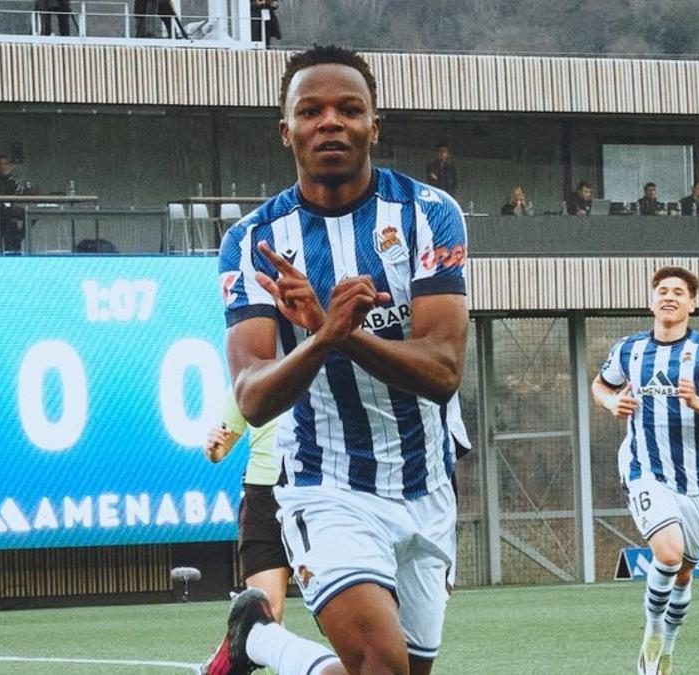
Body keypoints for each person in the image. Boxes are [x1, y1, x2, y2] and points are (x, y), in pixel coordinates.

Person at [202, 45, 468, 675]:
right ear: (286, 129)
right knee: (382, 666)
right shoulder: (252, 242)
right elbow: (253, 395)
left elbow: (442, 370)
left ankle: (260, 642)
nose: (331, 122)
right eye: (311, 110)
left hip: (427, 485)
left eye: (349, 109)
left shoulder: (428, 216)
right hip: (326, 485)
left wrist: (336, 330)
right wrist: (322, 339)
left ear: (374, 124)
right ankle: (260, 640)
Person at [591, 265, 699, 675]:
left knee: (685, 571)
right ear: (651, 300)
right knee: (668, 553)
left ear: (692, 304)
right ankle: (653, 633)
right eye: (662, 290)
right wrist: (611, 404)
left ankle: (669, 648)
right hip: (644, 467)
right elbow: (601, 385)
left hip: (694, 479)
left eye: (679, 291)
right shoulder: (629, 350)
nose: (669, 296)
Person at [204, 391, 291, 622]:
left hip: (315, 493)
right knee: (265, 612)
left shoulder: (318, 369)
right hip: (262, 497)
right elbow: (219, 450)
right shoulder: (247, 379)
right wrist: (214, 448)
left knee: (338, 611)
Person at [0, 154, 26, 253]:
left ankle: (17, 239)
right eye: (1, 164)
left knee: (27, 215)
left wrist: (8, 178)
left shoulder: (13, 178)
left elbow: (19, 191)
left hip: (11, 208)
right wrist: (5, 180)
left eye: (6, 164)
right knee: (6, 220)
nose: (3, 167)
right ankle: (8, 246)